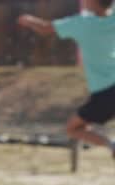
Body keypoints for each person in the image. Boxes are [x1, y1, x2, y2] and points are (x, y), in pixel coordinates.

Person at [18, 0, 115, 158]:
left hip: (104, 92)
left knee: (73, 128)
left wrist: (28, 20)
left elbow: (45, 28)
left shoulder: (81, 23)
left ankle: (111, 145)